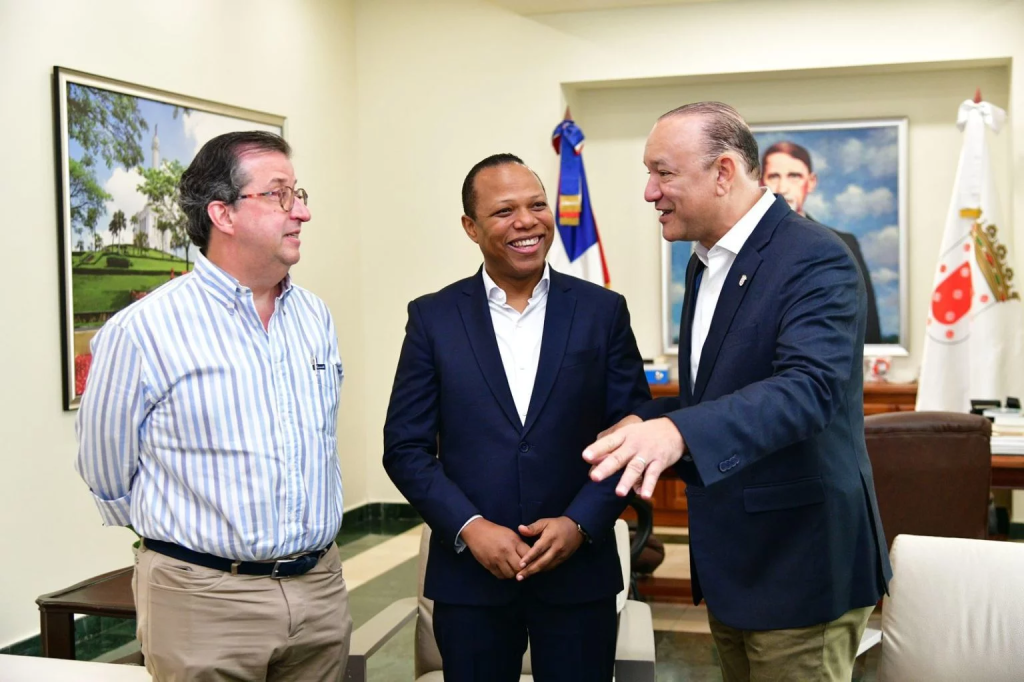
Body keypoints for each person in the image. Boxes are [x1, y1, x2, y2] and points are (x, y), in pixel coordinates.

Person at [584, 103, 891, 682]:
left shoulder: (816, 256)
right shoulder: (704, 263)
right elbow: (723, 392)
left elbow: (807, 390)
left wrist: (677, 431)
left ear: (723, 172)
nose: (650, 192)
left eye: (663, 172)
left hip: (799, 567)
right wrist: (649, 421)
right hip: (734, 565)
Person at [76, 131, 352, 682]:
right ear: (222, 213)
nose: (302, 212)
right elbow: (104, 469)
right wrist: (188, 543)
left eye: (298, 194)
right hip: (203, 601)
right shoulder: (143, 330)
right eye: (279, 195)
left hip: (319, 591)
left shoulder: (314, 317)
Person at [383, 153, 650, 682]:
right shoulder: (433, 318)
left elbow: (634, 433)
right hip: (470, 581)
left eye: (537, 205)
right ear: (471, 227)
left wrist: (579, 523)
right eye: (504, 211)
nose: (527, 222)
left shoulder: (602, 311)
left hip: (579, 577)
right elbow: (405, 448)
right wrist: (471, 528)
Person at [760, 140, 882, 343]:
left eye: (794, 176)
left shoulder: (843, 244)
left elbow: (868, 325)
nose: (783, 188)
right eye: (774, 176)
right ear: (760, 183)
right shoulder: (742, 245)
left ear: (811, 182)